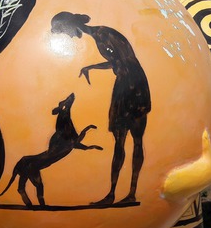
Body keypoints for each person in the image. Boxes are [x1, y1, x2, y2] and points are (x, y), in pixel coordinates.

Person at [51, 11, 151, 205]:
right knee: (120, 142)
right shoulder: (99, 35)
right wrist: (91, 67)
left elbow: (125, 61)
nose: (68, 35)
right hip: (125, 84)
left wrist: (94, 67)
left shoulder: (104, 34)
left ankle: (131, 193)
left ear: (70, 24)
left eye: (64, 31)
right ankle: (112, 194)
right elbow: (117, 62)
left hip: (134, 86)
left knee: (136, 141)